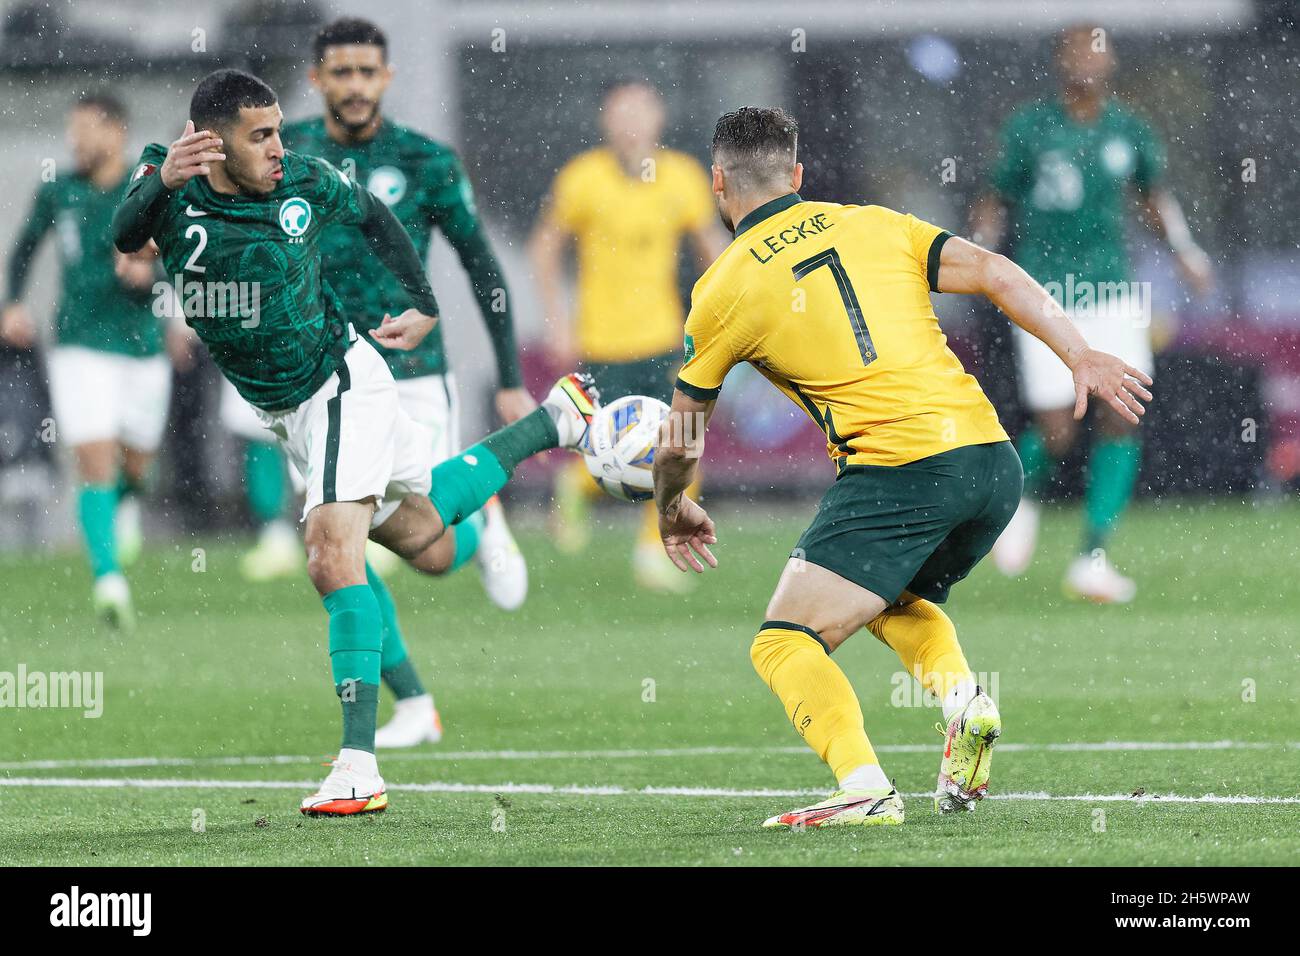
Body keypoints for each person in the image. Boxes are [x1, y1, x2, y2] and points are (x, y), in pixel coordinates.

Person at [113, 68, 599, 816]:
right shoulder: (167, 176)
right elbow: (124, 235)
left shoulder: (302, 183)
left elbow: (374, 214)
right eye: (261, 135)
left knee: (329, 555)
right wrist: (162, 180)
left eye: (279, 130)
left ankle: (357, 767)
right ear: (210, 145)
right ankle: (554, 422)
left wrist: (423, 300)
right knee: (428, 541)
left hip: (340, 384)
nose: (279, 146)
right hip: (286, 411)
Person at [652, 107, 1152, 829]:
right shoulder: (874, 223)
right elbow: (991, 268)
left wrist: (671, 504)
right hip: (990, 462)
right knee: (888, 597)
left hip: (902, 472)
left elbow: (681, 438)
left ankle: (863, 786)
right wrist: (1078, 352)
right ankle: (963, 704)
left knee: (783, 641)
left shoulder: (724, 287)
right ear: (797, 176)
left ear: (716, 181)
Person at [971, 24, 1212, 602]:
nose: (1088, 61)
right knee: (1056, 424)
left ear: (1111, 64)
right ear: (1061, 60)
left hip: (1111, 291)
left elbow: (1153, 196)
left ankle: (1092, 557)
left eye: (1098, 51)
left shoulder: (1128, 128)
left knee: (1123, 413)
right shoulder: (1031, 127)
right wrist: (973, 255)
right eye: (1078, 50)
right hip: (1047, 292)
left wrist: (1184, 250)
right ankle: (1019, 501)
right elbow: (995, 198)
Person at [529, 80, 726, 591]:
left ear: (659, 120)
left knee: (681, 443)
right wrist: (558, 322)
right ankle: (572, 486)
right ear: (605, 121)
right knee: (608, 447)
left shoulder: (682, 177)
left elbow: (716, 254)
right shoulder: (584, 178)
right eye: (621, 113)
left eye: (641, 112)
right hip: (599, 341)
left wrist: (722, 318)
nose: (631, 123)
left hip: (664, 338)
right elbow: (544, 248)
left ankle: (654, 551)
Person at [2, 93, 172, 629]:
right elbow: (25, 246)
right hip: (78, 343)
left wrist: (153, 277)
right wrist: (12, 303)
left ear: (117, 132)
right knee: (94, 463)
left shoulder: (148, 189)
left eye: (87, 130)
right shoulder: (60, 190)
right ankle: (109, 580)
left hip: (142, 347)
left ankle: (123, 509)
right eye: (71, 130)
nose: (76, 140)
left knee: (135, 466)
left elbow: (188, 258)